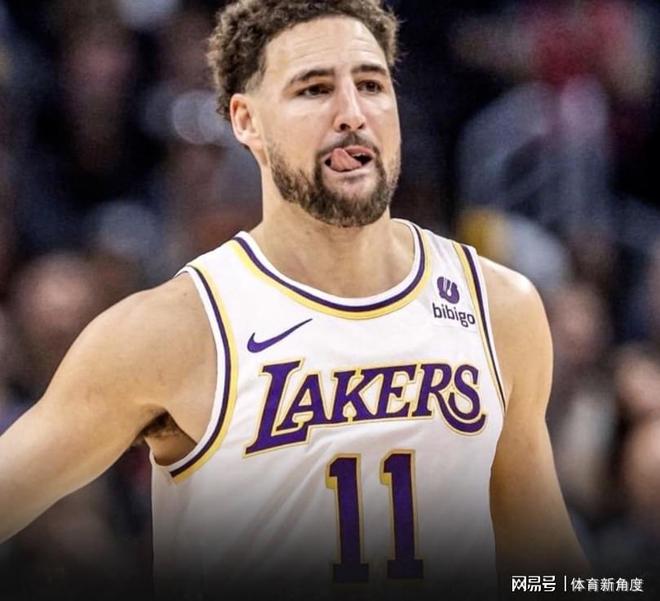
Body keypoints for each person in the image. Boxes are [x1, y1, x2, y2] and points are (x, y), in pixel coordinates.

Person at [0, 1, 587, 599]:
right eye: (314, 89)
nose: (352, 114)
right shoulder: (176, 329)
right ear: (247, 121)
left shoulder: (498, 306)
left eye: (371, 84)